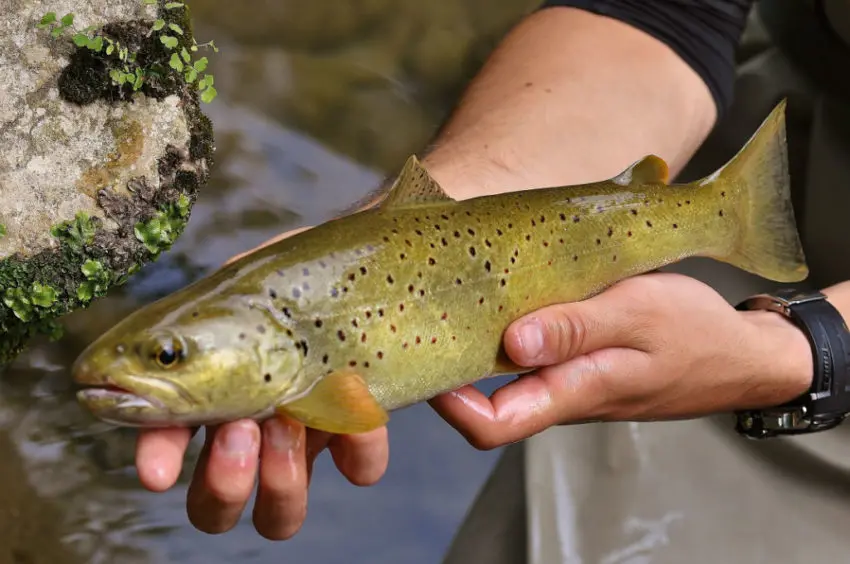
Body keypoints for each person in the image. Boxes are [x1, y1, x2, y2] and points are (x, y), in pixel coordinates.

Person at [131, 0, 850, 553]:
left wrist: (804, 350)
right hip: (767, 128)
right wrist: (423, 215)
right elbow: (659, 15)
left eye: (169, 356)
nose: (161, 362)